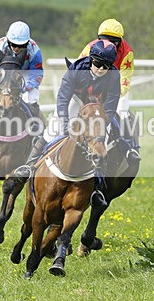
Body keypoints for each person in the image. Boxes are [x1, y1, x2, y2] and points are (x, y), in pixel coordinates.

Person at [13, 40, 121, 207]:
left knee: (103, 142)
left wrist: (101, 125)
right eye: (98, 63)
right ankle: (29, 165)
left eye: (105, 66)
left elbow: (111, 104)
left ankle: (97, 188)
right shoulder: (76, 69)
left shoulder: (114, 75)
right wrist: (64, 120)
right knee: (53, 129)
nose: (100, 69)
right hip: (75, 100)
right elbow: (63, 98)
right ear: (91, 59)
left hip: (98, 107)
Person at [77, 18, 140, 160]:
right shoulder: (90, 48)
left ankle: (130, 148)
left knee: (123, 111)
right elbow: (79, 71)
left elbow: (124, 81)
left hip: (115, 88)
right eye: (104, 39)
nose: (107, 44)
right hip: (91, 88)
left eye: (112, 41)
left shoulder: (127, 53)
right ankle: (53, 140)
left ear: (119, 42)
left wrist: (110, 95)